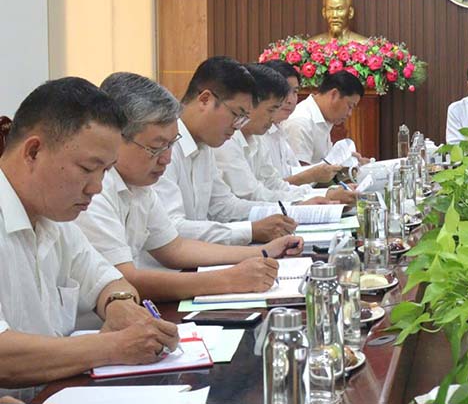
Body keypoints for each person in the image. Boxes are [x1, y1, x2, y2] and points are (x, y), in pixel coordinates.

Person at [0, 78, 178, 396]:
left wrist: (119, 304)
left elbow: (109, 280)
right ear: (33, 151)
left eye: (106, 172)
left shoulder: (56, 219)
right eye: (87, 169)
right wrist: (112, 345)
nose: (96, 187)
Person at [74, 72, 304, 301]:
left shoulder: (140, 183)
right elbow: (124, 279)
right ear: (117, 138)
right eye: (156, 147)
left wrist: (262, 252)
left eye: (171, 145)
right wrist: (229, 279)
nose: (166, 158)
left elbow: (174, 248)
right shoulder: (95, 189)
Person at [153, 57, 296, 246]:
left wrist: (284, 212)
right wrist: (251, 230)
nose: (237, 126)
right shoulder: (162, 147)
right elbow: (172, 229)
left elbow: (223, 205)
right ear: (205, 99)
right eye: (236, 115)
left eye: (244, 118)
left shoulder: (205, 144)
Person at [215, 65, 355, 205]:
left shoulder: (259, 136)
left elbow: (274, 184)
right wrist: (300, 204)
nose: (273, 117)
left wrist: (326, 194)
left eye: (295, 92)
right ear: (249, 104)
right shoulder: (226, 140)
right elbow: (250, 195)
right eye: (271, 110)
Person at [259, 60, 341, 186]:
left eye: (295, 92)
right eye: (284, 91)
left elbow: (292, 172)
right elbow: (268, 189)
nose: (291, 100)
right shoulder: (257, 133)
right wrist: (314, 176)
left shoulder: (277, 129)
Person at [282, 70, 365, 165]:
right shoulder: (300, 122)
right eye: (350, 106)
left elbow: (325, 165)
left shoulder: (324, 118)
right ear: (334, 94)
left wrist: (348, 164)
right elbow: (300, 174)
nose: (349, 114)